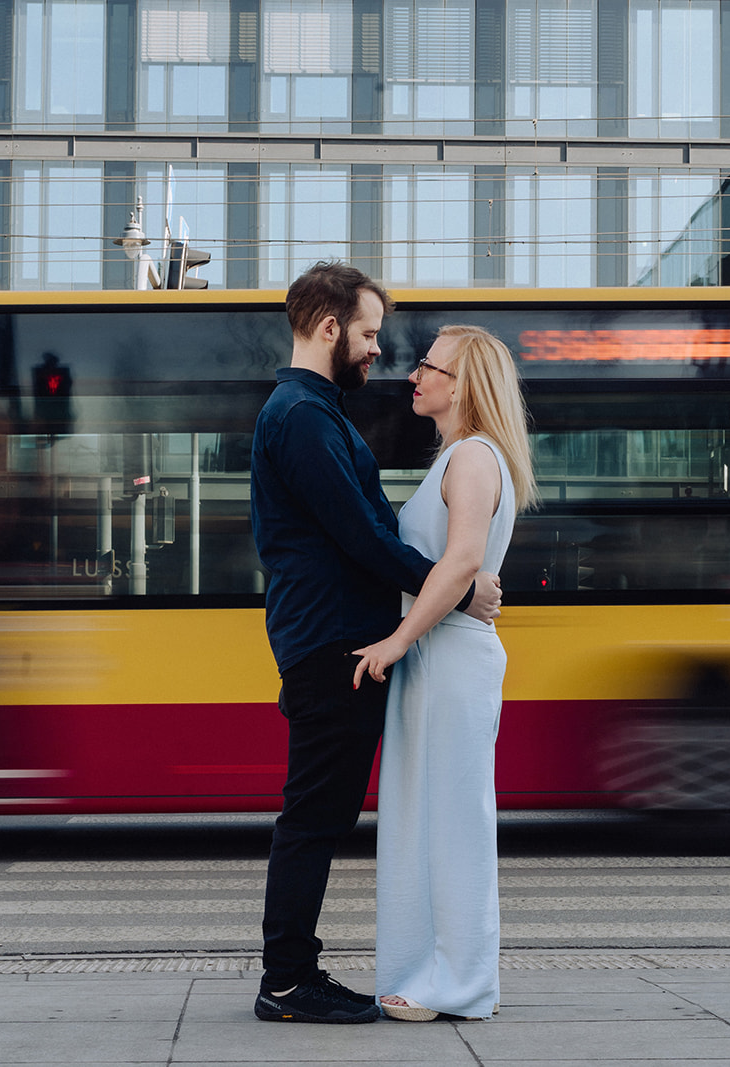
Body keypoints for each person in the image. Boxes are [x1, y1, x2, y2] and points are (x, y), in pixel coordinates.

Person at [250, 263, 504, 1024]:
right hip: (331, 643)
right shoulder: (301, 415)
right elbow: (361, 536)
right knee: (314, 816)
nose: (376, 352)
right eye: (366, 334)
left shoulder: (313, 412)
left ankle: (295, 973)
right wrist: (458, 584)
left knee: (319, 814)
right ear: (329, 329)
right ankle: (289, 980)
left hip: (333, 639)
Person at [352, 324, 538, 1022]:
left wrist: (397, 640)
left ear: (463, 384)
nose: (414, 376)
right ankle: (428, 971)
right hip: (442, 654)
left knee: (453, 822)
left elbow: (460, 562)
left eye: (429, 366)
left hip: (448, 655)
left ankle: (457, 982)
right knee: (425, 818)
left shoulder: (472, 459)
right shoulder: (461, 457)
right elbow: (462, 569)